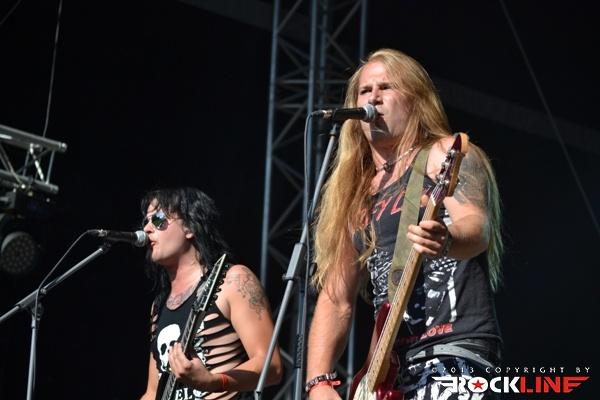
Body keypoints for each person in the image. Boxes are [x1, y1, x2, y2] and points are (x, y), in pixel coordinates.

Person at [306, 49, 503, 400]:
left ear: (415, 99)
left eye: (386, 87)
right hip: (389, 370)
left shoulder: (444, 154)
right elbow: (336, 298)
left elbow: (477, 226)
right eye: (365, 91)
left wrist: (447, 239)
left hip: (453, 349)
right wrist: (318, 382)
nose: (373, 98)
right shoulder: (355, 193)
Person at [138, 187, 282, 400]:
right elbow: (152, 392)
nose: (147, 228)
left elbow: (272, 366)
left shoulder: (233, 281)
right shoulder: (158, 306)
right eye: (146, 221)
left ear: (189, 227)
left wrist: (214, 382)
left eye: (158, 219)